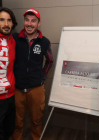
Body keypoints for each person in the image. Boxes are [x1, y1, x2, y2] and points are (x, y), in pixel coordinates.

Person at [12, 8, 53, 140]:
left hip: (36, 89)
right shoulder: (14, 39)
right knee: (17, 122)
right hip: (17, 89)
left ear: (38, 23)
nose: (29, 24)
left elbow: (50, 60)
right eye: (27, 20)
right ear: (24, 21)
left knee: (36, 121)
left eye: (33, 21)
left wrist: (42, 77)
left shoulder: (45, 42)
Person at [0, 7, 17, 140]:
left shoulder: (13, 41)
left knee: (9, 130)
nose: (6, 24)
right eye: (2, 20)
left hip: (10, 96)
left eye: (9, 20)